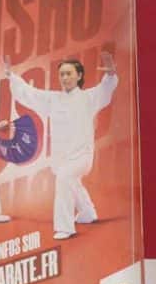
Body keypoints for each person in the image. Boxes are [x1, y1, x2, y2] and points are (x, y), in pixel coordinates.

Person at [6, 50, 118, 240]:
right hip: (61, 157)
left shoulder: (88, 97)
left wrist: (110, 74)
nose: (65, 78)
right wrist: (12, 76)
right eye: (62, 74)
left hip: (82, 156)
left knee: (65, 178)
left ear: (79, 76)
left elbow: (105, 89)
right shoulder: (53, 99)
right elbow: (30, 94)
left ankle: (65, 227)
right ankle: (88, 212)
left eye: (69, 74)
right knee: (70, 180)